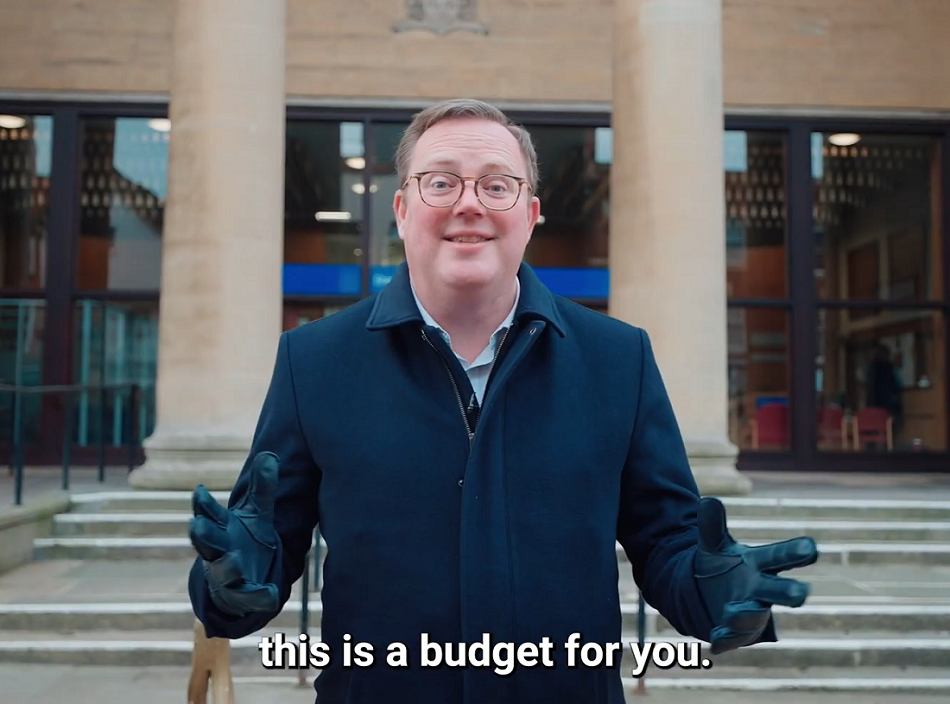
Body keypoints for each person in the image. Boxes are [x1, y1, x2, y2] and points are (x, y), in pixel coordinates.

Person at [188, 98, 819, 704]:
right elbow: (260, 545)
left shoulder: (616, 358)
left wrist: (713, 590)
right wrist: (230, 582)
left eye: (497, 185)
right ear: (402, 209)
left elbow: (668, 544)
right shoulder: (314, 361)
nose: (469, 204)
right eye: (441, 183)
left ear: (531, 213)